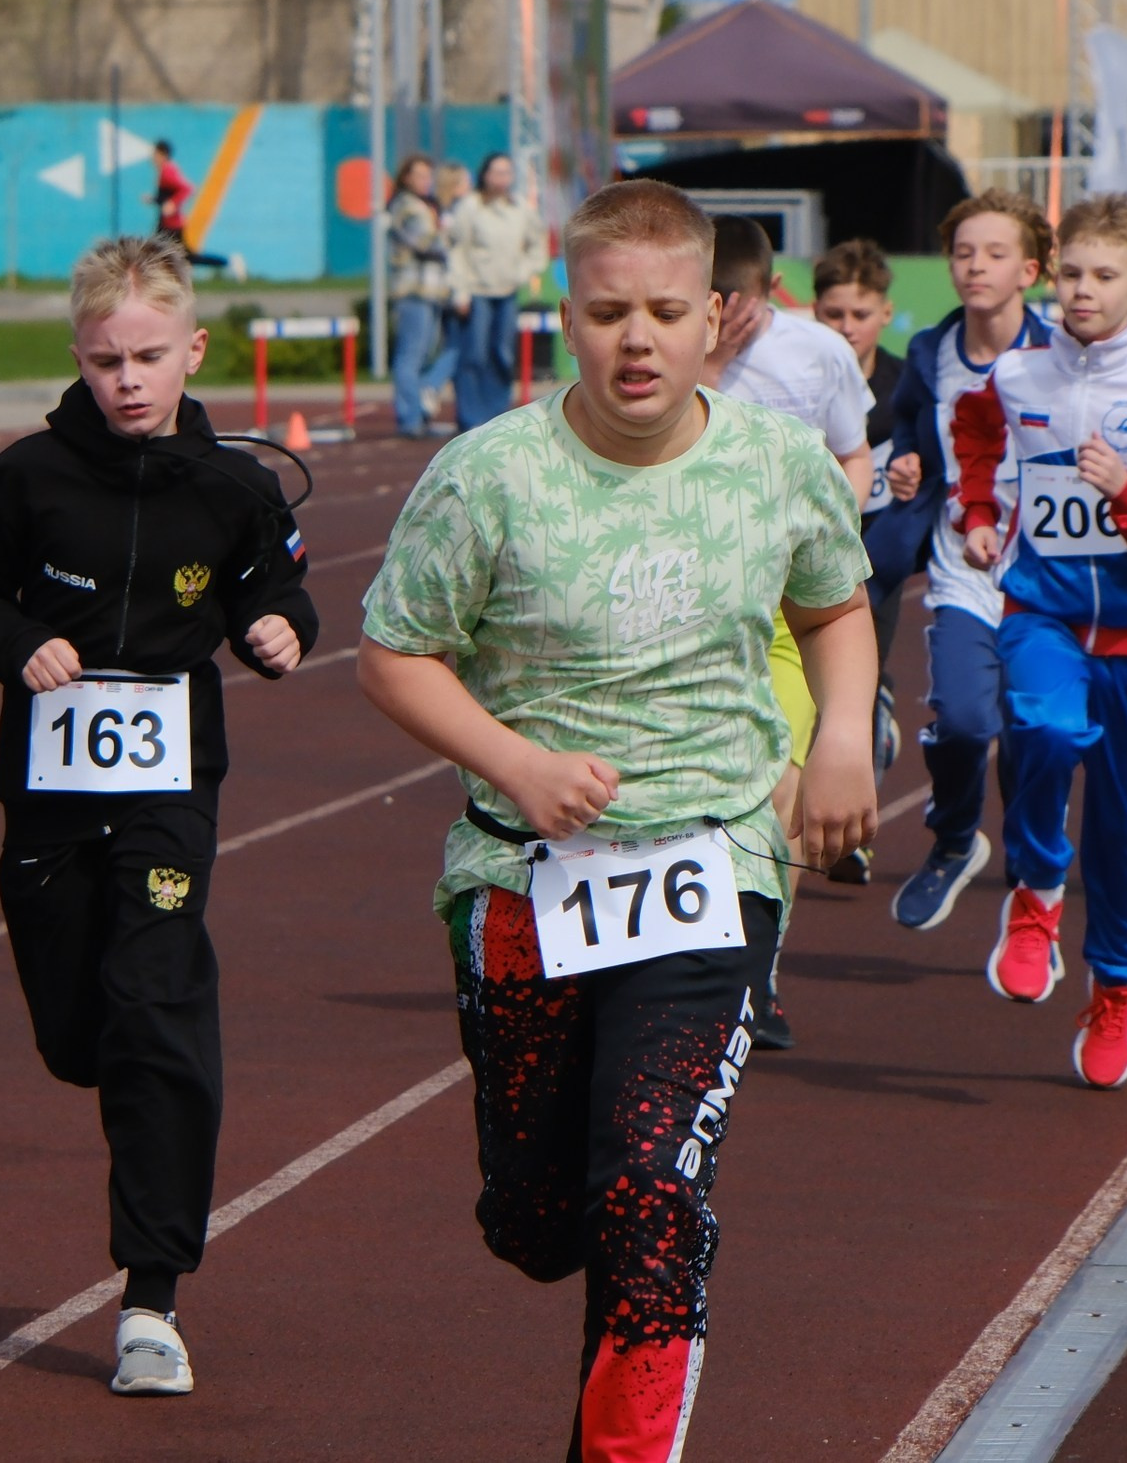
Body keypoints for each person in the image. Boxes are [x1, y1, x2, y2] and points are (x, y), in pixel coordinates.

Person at [359, 180, 877, 1463]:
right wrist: (516, 764)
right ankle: (547, 1215)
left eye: (661, 313)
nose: (634, 341)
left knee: (652, 1191)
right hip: (524, 877)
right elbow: (394, 652)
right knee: (543, 1221)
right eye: (605, 314)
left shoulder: (777, 467)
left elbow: (834, 609)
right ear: (565, 318)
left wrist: (843, 742)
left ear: (718, 320)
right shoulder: (486, 479)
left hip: (712, 861)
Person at [0, 234, 318, 1398]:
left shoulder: (235, 485)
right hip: (49, 797)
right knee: (76, 1034)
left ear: (193, 351)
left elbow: (278, 581)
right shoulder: (25, 479)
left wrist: (277, 631)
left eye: (150, 356)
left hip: (167, 791)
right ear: (79, 358)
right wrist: (18, 644)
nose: (129, 381)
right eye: (106, 361)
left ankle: (150, 1299)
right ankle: (116, 1066)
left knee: (155, 1010)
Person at [952, 192, 1127, 1091]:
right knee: (1042, 728)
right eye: (1070, 273)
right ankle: (1035, 892)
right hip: (1042, 614)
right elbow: (975, 434)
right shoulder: (1018, 376)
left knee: (1123, 824)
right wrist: (977, 513)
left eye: (1104, 276)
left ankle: (1115, 985)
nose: (1081, 290)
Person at [704, 214, 872, 1045]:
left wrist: (840, 530)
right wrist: (704, 362)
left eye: (728, 302)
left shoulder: (818, 353)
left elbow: (853, 451)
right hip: (692, 602)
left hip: (783, 607)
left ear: (769, 292)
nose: (716, 316)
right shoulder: (671, 353)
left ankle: (757, 971)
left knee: (781, 786)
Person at [881, 192, 1053, 931]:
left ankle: (1029, 856)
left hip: (1047, 576)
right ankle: (954, 838)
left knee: (1034, 731)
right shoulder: (931, 353)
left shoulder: (1059, 355)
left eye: (994, 253)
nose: (975, 266)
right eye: (962, 252)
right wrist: (908, 467)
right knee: (960, 718)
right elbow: (910, 431)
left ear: (1030, 270)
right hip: (963, 567)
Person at [810, 237, 917, 821]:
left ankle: (860, 825)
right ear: (815, 311)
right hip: (806, 549)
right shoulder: (801, 377)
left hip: (878, 551)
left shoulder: (905, 387)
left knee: (856, 680)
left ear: (884, 313)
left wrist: (913, 472)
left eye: (860, 315)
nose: (848, 328)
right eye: (834, 314)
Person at [444, 152, 549, 429]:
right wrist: (460, 291)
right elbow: (458, 250)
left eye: (507, 173)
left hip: (507, 291)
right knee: (475, 354)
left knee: (502, 353)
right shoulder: (470, 207)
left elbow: (538, 244)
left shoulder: (520, 209)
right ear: (485, 175)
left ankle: (496, 414)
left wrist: (523, 271)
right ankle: (470, 417)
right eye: (496, 172)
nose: (502, 179)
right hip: (477, 291)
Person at [386, 154, 458, 439]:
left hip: (430, 291)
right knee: (410, 356)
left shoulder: (427, 206)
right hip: (413, 290)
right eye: (420, 176)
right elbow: (428, 243)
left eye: (428, 176)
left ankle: (418, 406)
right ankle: (410, 417)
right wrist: (454, 234)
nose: (426, 182)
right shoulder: (407, 206)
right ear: (406, 178)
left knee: (424, 354)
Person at [146, 139, 248, 281]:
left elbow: (187, 188)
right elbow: (168, 195)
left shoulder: (168, 171)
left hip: (171, 225)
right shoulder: (165, 170)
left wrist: (172, 204)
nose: (152, 157)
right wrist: (154, 199)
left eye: (154, 153)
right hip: (166, 224)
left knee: (179, 255)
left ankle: (229, 262)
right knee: (160, 253)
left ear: (162, 154)